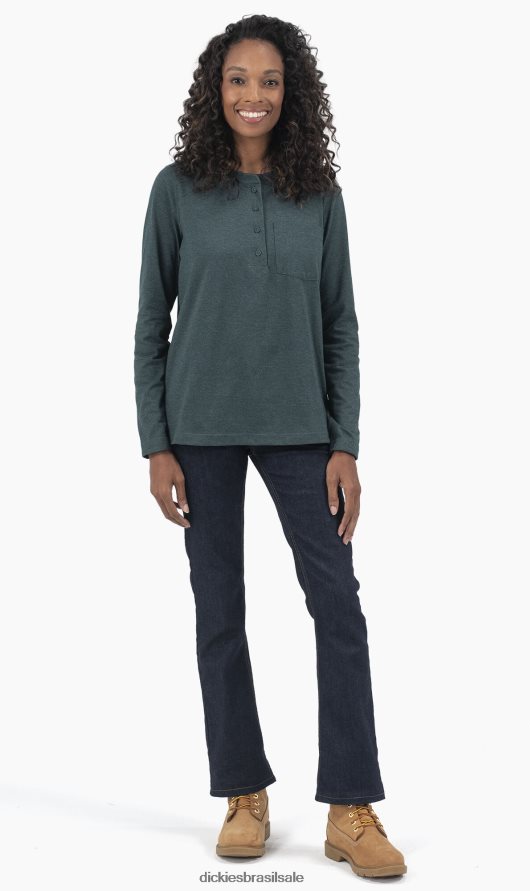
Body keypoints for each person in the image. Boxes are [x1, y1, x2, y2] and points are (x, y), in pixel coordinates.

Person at [133, 15, 407, 879]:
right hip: (199, 429)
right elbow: (150, 323)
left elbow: (341, 324)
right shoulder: (176, 190)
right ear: (214, 91)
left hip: (300, 430)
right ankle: (242, 792)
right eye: (238, 79)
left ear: (293, 95)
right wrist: (155, 443)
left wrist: (344, 442)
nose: (254, 95)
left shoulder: (319, 196)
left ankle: (350, 808)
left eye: (270, 81)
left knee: (339, 606)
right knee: (218, 611)